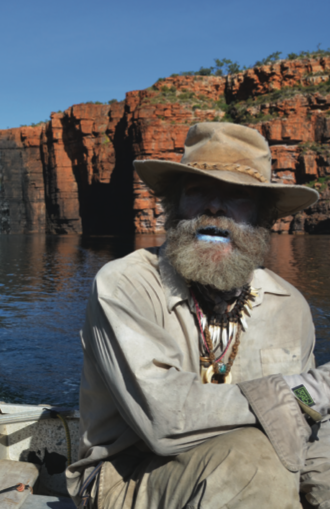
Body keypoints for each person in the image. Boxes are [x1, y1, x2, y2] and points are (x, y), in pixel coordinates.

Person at [66, 122, 330, 508]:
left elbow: (307, 429)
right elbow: (164, 423)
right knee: (252, 462)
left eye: (237, 196)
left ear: (263, 217)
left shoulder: (289, 304)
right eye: (198, 190)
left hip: (254, 475)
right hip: (127, 478)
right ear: (174, 205)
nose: (214, 207)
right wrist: (306, 391)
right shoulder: (124, 284)